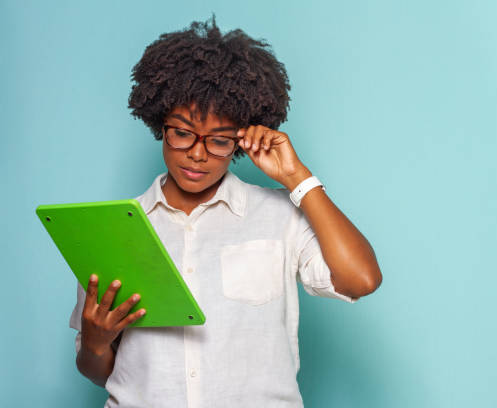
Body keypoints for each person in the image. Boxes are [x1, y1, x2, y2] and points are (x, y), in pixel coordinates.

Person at [69, 16, 382, 407]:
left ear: (240, 140)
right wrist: (96, 345)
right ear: (158, 124)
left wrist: (297, 178)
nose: (197, 154)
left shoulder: (279, 216)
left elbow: (361, 280)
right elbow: (96, 370)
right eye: (182, 132)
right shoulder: (112, 232)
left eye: (218, 140)